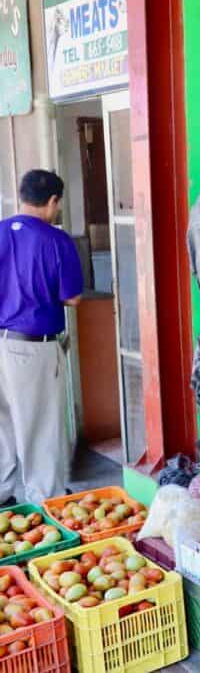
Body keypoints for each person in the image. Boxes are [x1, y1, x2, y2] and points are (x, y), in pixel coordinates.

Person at [0, 170, 82, 504]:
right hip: (32, 347)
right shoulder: (55, 239)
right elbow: (73, 297)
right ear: (52, 201)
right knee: (42, 427)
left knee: (3, 424)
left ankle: (4, 496)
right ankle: (46, 499)